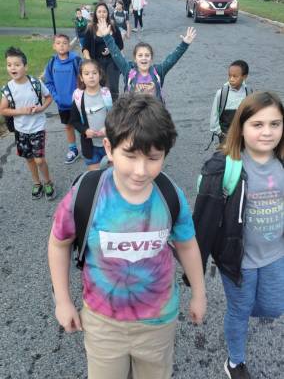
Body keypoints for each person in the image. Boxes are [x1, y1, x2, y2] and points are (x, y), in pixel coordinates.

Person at [48, 93, 207, 379]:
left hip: (158, 322)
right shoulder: (85, 195)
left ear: (165, 154)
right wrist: (62, 300)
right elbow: (59, 243)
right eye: (130, 156)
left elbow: (186, 244)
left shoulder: (170, 195)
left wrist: (199, 293)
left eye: (153, 158)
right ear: (108, 148)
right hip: (102, 322)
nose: (140, 170)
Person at [194, 91, 284, 379]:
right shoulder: (227, 167)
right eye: (257, 124)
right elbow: (205, 218)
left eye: (275, 124)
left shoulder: (282, 163)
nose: (267, 132)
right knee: (239, 311)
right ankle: (235, 361)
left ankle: (246, 308)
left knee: (273, 306)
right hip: (239, 258)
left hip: (275, 254)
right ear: (241, 128)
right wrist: (197, 262)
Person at [0, 47, 56, 200]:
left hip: (37, 127)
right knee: (29, 159)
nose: (13, 68)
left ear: (25, 67)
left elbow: (49, 97)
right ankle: (37, 183)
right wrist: (21, 111)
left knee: (39, 159)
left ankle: (48, 181)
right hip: (21, 130)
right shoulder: (7, 89)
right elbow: (3, 110)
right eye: (9, 64)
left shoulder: (35, 83)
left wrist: (42, 108)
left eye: (17, 64)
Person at [97, 19, 196, 102]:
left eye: (147, 55)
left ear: (151, 58)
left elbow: (172, 59)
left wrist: (184, 44)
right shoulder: (128, 70)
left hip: (154, 118)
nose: (144, 58)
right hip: (133, 117)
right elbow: (116, 54)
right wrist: (107, 37)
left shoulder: (158, 71)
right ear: (135, 59)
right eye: (140, 55)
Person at [44, 34, 81, 164]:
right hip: (62, 103)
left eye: (65, 43)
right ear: (54, 46)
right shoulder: (52, 62)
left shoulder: (76, 60)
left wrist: (80, 95)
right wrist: (56, 97)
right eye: (58, 43)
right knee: (68, 126)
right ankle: (73, 150)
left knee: (82, 126)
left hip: (77, 102)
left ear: (69, 45)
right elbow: (48, 82)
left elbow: (83, 78)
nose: (61, 45)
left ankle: (88, 147)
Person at [70, 60, 112, 171]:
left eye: (94, 73)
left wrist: (108, 128)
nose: (91, 76)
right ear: (81, 77)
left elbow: (117, 116)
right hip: (90, 146)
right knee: (95, 176)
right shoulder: (78, 97)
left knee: (111, 174)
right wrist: (85, 130)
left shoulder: (107, 94)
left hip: (109, 143)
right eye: (87, 74)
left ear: (100, 75)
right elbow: (74, 121)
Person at [82, 1, 124, 102]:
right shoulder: (90, 28)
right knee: (99, 87)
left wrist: (111, 48)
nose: (102, 14)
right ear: (95, 14)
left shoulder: (113, 26)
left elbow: (121, 45)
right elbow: (85, 48)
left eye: (104, 11)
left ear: (108, 13)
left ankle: (114, 111)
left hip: (112, 61)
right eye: (99, 11)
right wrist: (89, 61)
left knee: (113, 88)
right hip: (97, 62)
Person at [210, 60, 253, 143]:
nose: (231, 79)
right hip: (225, 136)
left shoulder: (249, 92)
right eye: (229, 76)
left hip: (244, 137)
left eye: (235, 76)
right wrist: (219, 133)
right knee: (226, 156)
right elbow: (214, 115)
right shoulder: (222, 93)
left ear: (244, 77)